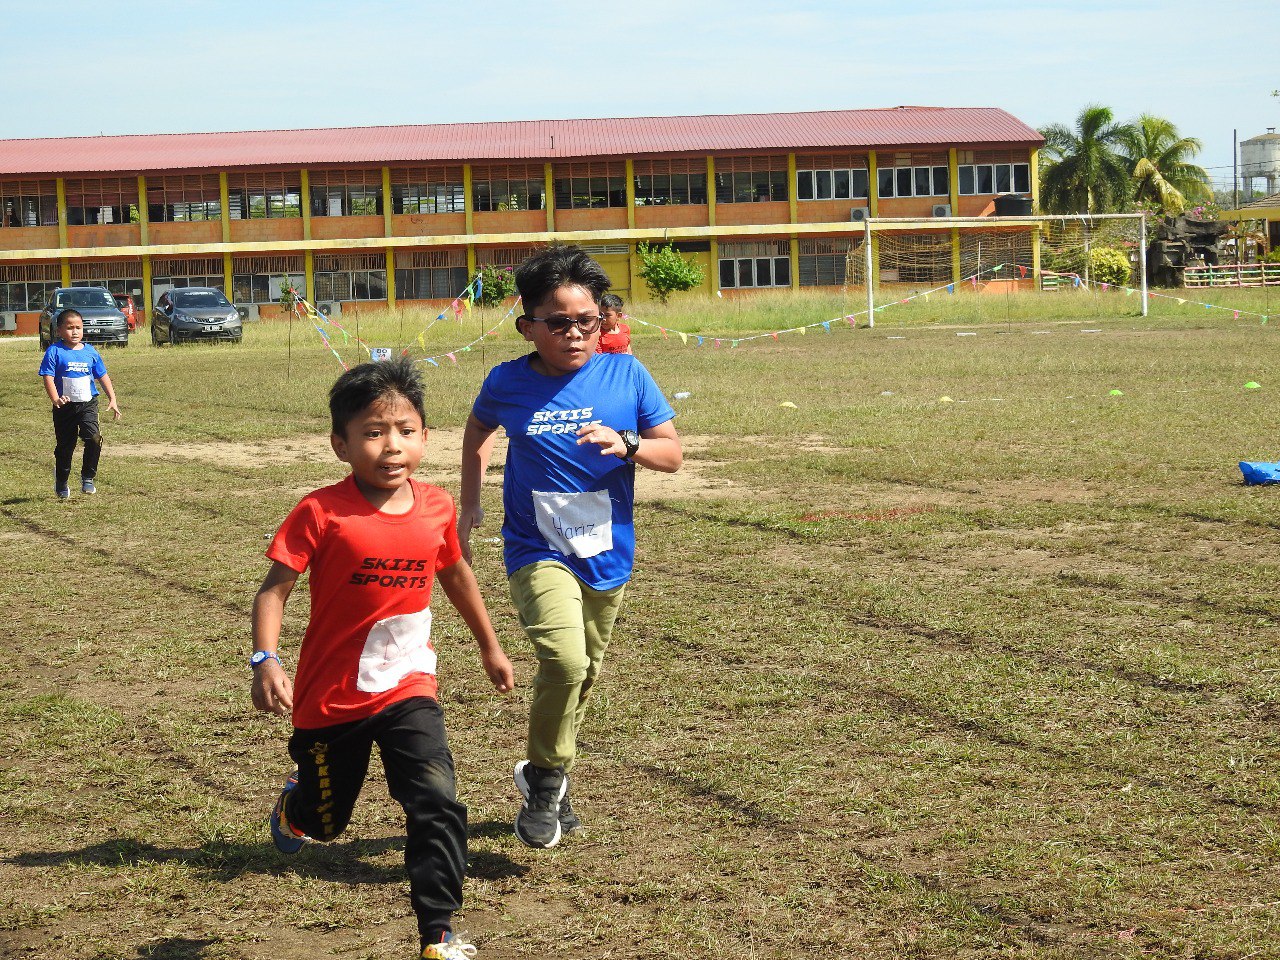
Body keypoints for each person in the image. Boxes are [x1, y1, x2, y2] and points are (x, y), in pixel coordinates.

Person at [250, 357, 514, 960]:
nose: (392, 446)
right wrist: (266, 659)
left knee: (435, 798)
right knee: (326, 822)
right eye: (373, 432)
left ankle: (438, 932)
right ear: (340, 444)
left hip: (408, 684)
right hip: (331, 698)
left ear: (425, 436)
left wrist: (490, 646)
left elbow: (455, 574)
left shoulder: (437, 506)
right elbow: (274, 590)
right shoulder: (321, 511)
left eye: (406, 430)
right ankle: (295, 809)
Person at [458, 245, 682, 850]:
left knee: (585, 674)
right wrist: (470, 500)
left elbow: (672, 455)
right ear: (527, 326)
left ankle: (545, 772)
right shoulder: (507, 381)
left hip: (607, 552)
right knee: (564, 660)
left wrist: (627, 444)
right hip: (535, 546)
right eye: (558, 323)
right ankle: (547, 780)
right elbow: (478, 429)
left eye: (588, 320)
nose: (576, 333)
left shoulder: (628, 375)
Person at [37, 308, 121, 499]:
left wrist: (113, 398)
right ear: (59, 330)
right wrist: (56, 399)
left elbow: (102, 375)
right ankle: (61, 481)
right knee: (66, 446)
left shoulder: (90, 352)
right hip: (64, 407)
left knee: (94, 438)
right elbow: (48, 377)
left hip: (87, 404)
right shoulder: (54, 351)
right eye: (69, 328)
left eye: (78, 328)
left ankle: (88, 477)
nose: (74, 332)